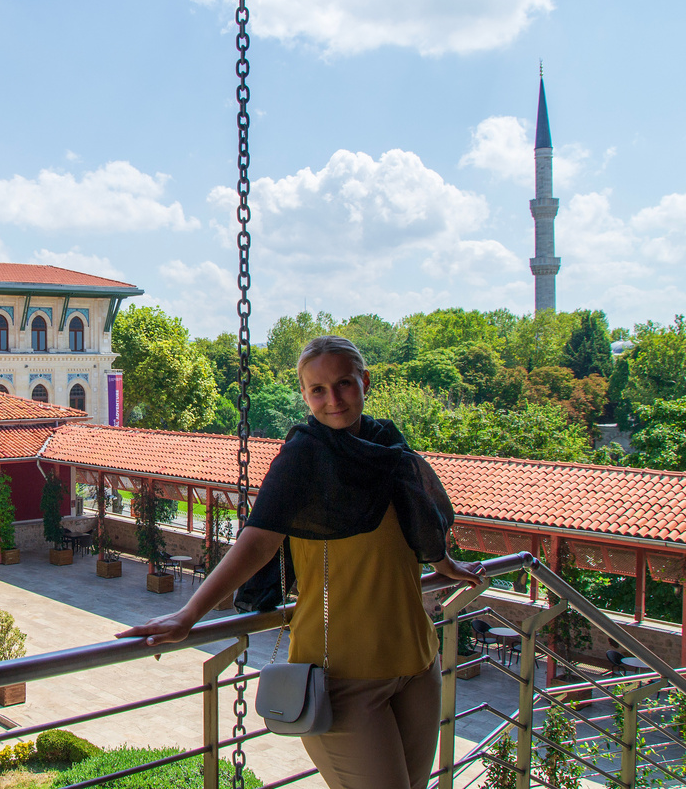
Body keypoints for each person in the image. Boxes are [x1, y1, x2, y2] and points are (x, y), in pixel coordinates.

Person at [118, 335, 485, 789]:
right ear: (305, 395)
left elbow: (415, 522)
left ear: (365, 382)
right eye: (318, 390)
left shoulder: (388, 447)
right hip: (342, 678)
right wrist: (189, 613)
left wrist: (442, 561)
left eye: (345, 384)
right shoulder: (304, 457)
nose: (333, 399)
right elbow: (257, 543)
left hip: (419, 663)